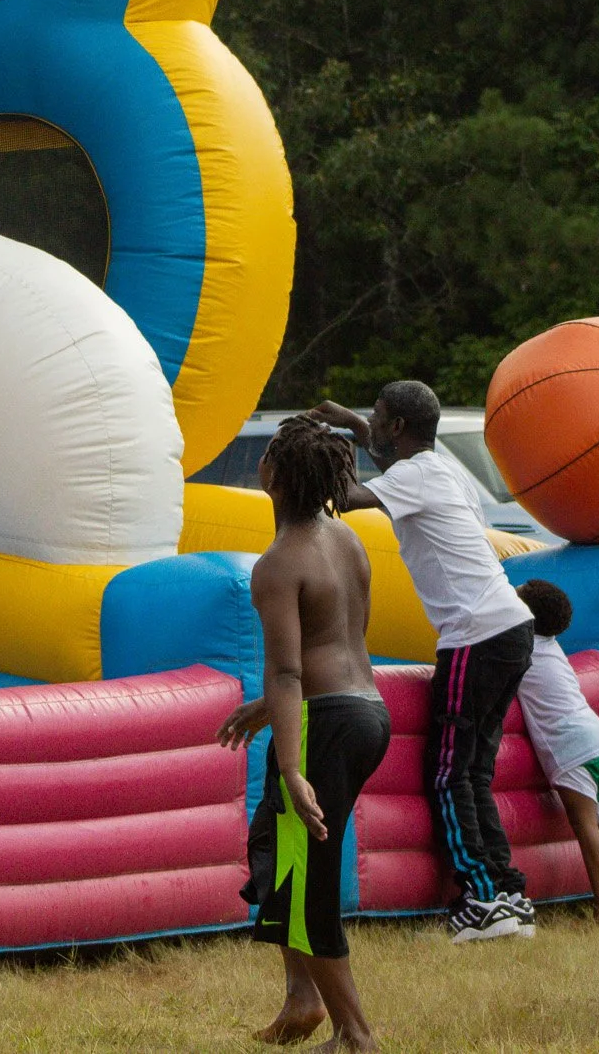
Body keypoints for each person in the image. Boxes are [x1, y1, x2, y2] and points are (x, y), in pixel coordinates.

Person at [311, 383, 538, 944]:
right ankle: (508, 891)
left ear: (397, 427)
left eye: (377, 417)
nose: (371, 425)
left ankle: (481, 896)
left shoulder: (410, 478)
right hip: (509, 625)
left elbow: (347, 497)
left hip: (474, 634)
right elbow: (388, 455)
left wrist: (325, 445)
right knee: (476, 770)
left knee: (447, 772)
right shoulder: (442, 468)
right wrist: (354, 423)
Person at [218, 415, 390, 1052]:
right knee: (275, 847)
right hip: (366, 714)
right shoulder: (348, 541)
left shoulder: (276, 563)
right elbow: (337, 645)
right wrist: (273, 706)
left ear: (272, 477)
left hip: (323, 727)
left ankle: (354, 1035)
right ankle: (300, 996)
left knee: (304, 879)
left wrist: (291, 769)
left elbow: (291, 667)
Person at [512, 579, 599, 922]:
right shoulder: (550, 645)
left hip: (570, 745)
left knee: (586, 826)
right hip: (598, 738)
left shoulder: (522, 649)